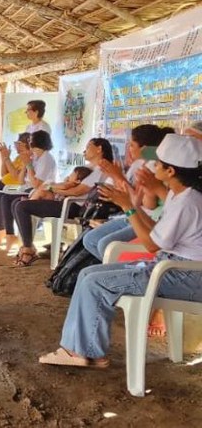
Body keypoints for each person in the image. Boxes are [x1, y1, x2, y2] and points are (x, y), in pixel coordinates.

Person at [39, 134, 202, 369]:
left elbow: (151, 244)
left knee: (96, 282)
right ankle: (79, 349)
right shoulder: (185, 196)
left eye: (158, 163)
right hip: (175, 269)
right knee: (88, 274)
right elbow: (158, 233)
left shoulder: (187, 202)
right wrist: (136, 204)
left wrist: (128, 207)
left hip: (182, 276)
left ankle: (85, 352)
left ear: (171, 172)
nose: (152, 166)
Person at [11, 137, 112, 267]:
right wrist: (54, 188)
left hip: (75, 206)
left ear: (99, 149)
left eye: (88, 147)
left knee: (22, 207)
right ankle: (28, 246)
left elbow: (77, 191)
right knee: (16, 204)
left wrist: (51, 188)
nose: (84, 150)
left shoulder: (101, 169)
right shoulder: (88, 167)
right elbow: (67, 183)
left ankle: (28, 249)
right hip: (64, 200)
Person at [82, 125, 167, 261]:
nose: (129, 149)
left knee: (104, 244)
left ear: (144, 148)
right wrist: (117, 178)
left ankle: (120, 269)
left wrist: (118, 177)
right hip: (131, 214)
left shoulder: (152, 167)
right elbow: (130, 196)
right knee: (90, 239)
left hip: (143, 218)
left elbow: (139, 202)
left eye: (132, 145)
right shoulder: (139, 165)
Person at [0, 130, 58, 251]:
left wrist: (28, 164)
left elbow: (36, 183)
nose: (29, 143)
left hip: (39, 192)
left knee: (11, 201)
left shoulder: (46, 158)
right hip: (27, 189)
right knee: (3, 197)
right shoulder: (35, 157)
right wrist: (25, 164)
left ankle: (24, 241)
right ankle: (12, 236)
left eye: (30, 140)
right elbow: (21, 180)